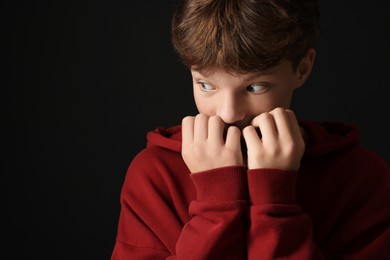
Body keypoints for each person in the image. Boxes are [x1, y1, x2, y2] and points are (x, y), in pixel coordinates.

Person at [111, 0, 390, 259]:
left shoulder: (360, 177)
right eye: (206, 85)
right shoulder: (154, 174)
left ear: (302, 68)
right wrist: (216, 202)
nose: (229, 113)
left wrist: (274, 200)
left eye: (255, 87)